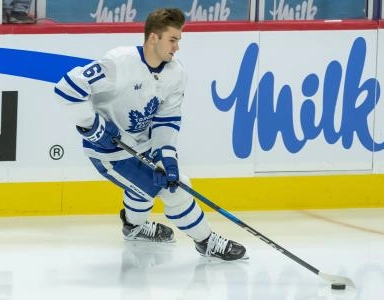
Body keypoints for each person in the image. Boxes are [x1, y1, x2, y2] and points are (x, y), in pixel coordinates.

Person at [54, 8, 247, 261]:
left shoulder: (176, 72)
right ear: (153, 38)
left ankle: (133, 226)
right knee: (177, 189)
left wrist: (166, 156)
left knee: (152, 183)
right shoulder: (119, 63)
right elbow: (67, 87)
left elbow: (166, 118)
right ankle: (206, 241)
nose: (177, 47)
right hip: (109, 153)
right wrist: (92, 126)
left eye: (179, 40)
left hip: (142, 145)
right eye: (173, 39)